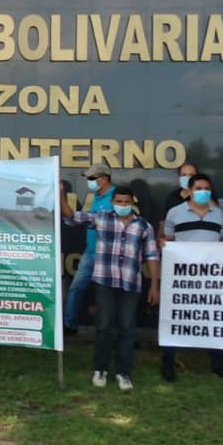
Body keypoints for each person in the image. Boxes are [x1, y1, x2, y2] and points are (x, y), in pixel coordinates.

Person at [62, 186, 160, 391]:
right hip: (105, 281)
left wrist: (154, 286)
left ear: (132, 203)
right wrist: (61, 194)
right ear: (113, 202)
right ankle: (100, 369)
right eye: (119, 202)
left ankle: (123, 372)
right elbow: (72, 217)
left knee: (127, 328)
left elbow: (152, 256)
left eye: (126, 202)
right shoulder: (102, 218)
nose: (122, 205)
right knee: (104, 326)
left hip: (130, 283)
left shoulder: (143, 226)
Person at [161, 173, 223, 383]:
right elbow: (167, 237)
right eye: (198, 188)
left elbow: (220, 239)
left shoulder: (217, 214)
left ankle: (218, 365)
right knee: (176, 316)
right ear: (189, 191)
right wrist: (162, 242)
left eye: (206, 188)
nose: (202, 191)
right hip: (183, 276)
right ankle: (168, 363)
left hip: (210, 276)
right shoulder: (175, 212)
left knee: (214, 317)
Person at [64, 164, 115, 335]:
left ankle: (115, 332)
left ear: (104, 178)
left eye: (92, 178)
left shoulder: (114, 197)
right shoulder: (97, 197)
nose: (89, 182)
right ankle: (69, 325)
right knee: (76, 288)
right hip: (91, 251)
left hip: (109, 255)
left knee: (110, 295)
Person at [159, 162, 198, 231]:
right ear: (179, 178)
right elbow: (165, 222)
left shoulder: (203, 196)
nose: (188, 178)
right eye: (184, 175)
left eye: (191, 175)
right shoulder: (172, 197)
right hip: (176, 239)